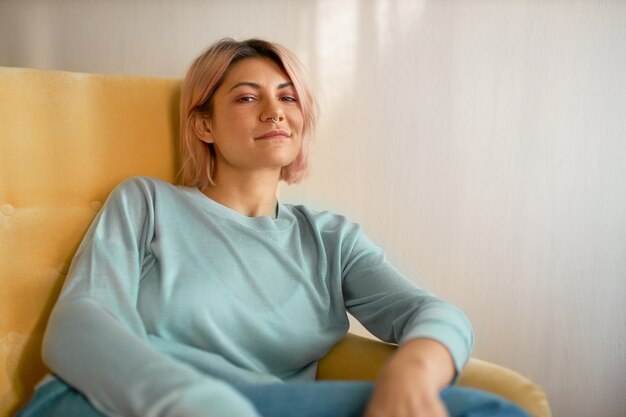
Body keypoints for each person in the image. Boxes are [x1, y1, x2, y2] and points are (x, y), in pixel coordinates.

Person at [16, 38, 528, 417]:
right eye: (246, 97)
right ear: (204, 126)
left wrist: (414, 368)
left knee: (492, 412)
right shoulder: (147, 202)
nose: (274, 112)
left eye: (287, 97)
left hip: (266, 406)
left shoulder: (331, 239)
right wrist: (188, 400)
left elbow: (430, 312)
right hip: (110, 400)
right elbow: (78, 323)